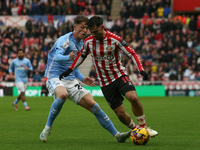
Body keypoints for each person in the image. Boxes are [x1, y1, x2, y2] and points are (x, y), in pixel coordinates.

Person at [60, 16, 158, 137]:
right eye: (92, 32)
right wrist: (69, 69)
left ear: (102, 27)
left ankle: (144, 127)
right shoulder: (88, 42)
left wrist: (141, 69)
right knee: (120, 114)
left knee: (133, 98)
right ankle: (136, 129)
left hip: (119, 75)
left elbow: (131, 53)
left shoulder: (115, 39)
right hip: (105, 83)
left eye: (96, 32)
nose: (93, 35)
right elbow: (81, 56)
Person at [39, 15, 131, 143]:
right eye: (82, 28)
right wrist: (68, 58)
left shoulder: (81, 43)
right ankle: (47, 128)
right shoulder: (64, 40)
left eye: (86, 28)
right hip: (54, 77)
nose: (84, 31)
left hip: (71, 80)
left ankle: (117, 135)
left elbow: (74, 67)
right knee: (63, 94)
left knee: (93, 105)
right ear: (74, 27)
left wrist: (83, 78)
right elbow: (58, 57)